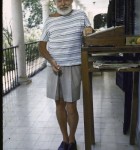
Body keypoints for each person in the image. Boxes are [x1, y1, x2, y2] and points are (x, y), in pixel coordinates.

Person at [39, 0, 92, 149]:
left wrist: (89, 32)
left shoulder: (81, 15)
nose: (63, 3)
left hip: (74, 66)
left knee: (71, 106)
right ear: (55, 2)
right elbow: (41, 46)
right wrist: (51, 60)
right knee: (59, 105)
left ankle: (72, 139)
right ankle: (64, 139)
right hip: (54, 67)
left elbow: (89, 36)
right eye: (59, 0)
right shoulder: (49, 20)